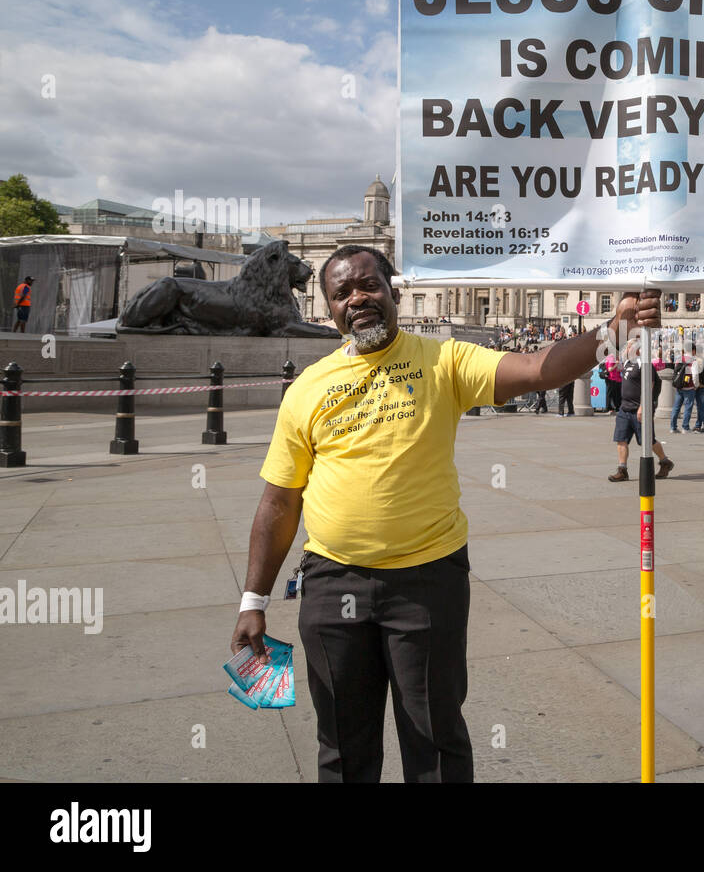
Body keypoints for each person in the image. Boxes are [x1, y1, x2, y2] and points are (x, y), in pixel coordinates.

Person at [230, 245, 661, 782]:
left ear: (394, 292)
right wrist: (253, 599)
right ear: (328, 308)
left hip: (426, 581)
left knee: (434, 737)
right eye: (341, 294)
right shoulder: (307, 389)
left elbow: (536, 371)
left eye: (369, 286)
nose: (357, 299)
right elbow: (279, 500)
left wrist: (612, 332)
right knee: (341, 744)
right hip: (330, 581)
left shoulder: (444, 360)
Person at [610, 344, 674, 482]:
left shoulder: (644, 364)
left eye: (629, 347)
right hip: (624, 408)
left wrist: (643, 407)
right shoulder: (627, 363)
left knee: (647, 441)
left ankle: (665, 461)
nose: (626, 349)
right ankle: (622, 470)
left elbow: (649, 387)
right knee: (621, 439)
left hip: (639, 409)